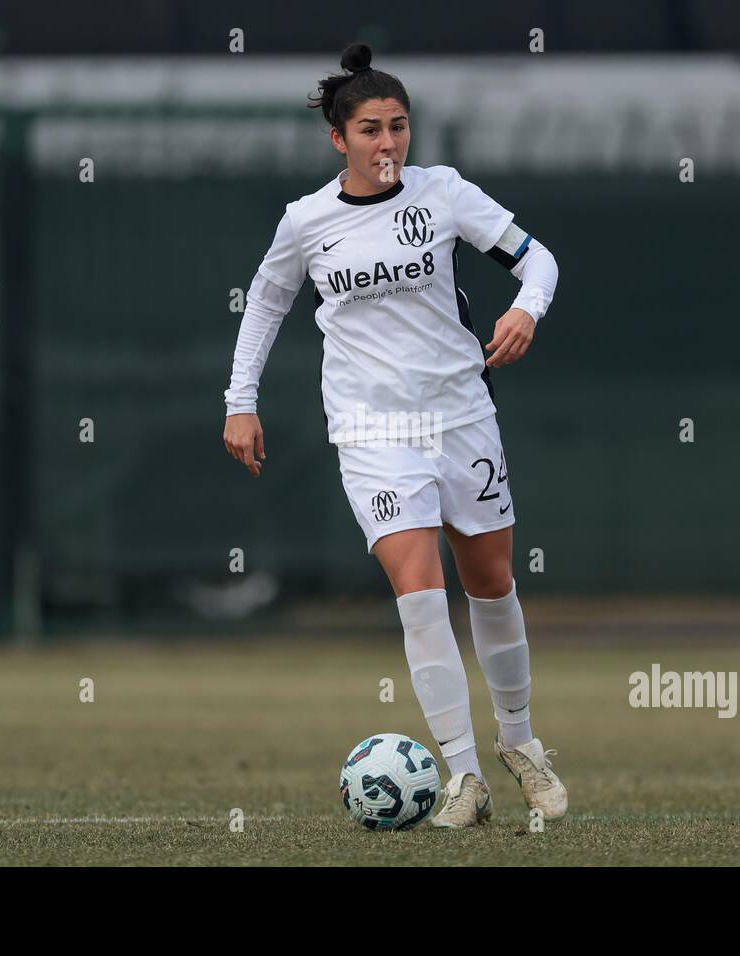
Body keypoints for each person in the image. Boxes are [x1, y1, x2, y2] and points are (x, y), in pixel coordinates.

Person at [222, 42, 565, 827]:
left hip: (461, 415)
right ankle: (464, 776)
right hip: (372, 430)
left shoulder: (442, 194)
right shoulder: (306, 223)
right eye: (371, 129)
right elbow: (266, 305)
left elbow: (537, 259)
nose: (388, 143)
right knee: (419, 597)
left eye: (399, 127)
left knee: (493, 584)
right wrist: (241, 400)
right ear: (337, 139)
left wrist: (525, 309)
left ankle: (520, 742)